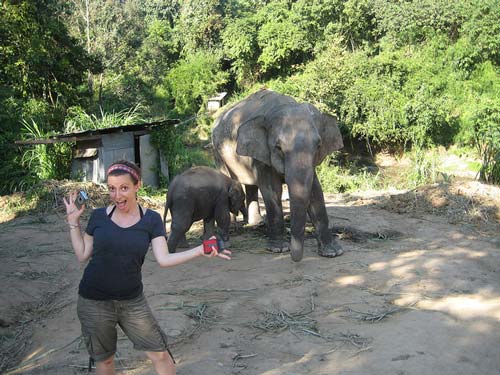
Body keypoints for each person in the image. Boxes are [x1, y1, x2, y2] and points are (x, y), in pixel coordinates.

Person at [64, 160, 231, 375]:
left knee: (160, 354)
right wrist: (73, 223)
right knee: (105, 361)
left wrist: (199, 250)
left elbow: (163, 259)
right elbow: (82, 254)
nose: (117, 196)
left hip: (132, 302)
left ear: (137, 186)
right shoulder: (98, 217)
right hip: (93, 302)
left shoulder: (151, 220)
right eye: (112, 189)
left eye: (124, 188)